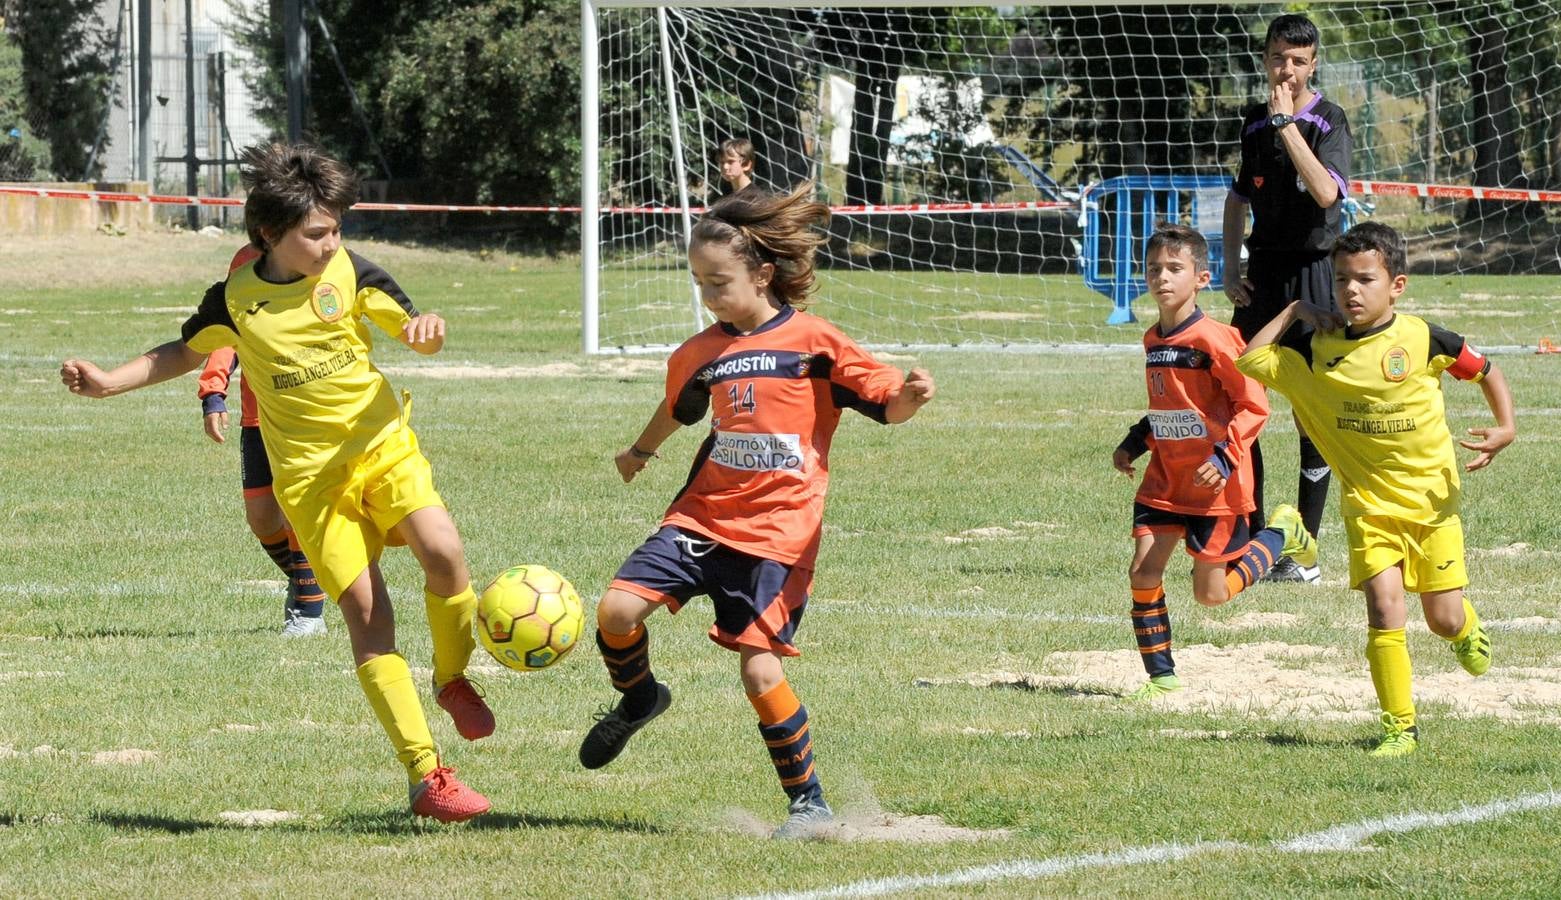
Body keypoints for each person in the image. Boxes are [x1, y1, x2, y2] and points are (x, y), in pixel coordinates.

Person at [60, 142, 495, 821]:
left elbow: (404, 324)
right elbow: (184, 349)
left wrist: (426, 333)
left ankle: (451, 677)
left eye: (336, 229)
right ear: (270, 234)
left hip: (382, 449)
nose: (331, 243)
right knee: (367, 614)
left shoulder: (351, 273)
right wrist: (110, 382)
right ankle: (426, 775)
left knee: (444, 552)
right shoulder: (235, 298)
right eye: (316, 233)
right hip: (312, 485)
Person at [577, 182, 935, 839]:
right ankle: (639, 698)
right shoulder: (698, 353)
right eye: (699, 284)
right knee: (616, 611)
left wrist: (912, 394)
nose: (709, 297)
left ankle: (808, 805)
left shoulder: (812, 341)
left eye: (719, 283)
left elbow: (882, 400)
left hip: (777, 533)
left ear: (762, 274)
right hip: (701, 516)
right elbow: (679, 410)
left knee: (758, 666)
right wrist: (638, 449)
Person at [1237, 222, 1515, 757]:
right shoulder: (1316, 349)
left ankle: (1464, 627)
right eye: (1341, 279)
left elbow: (1484, 370)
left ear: (1397, 286)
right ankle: (1399, 728)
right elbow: (1250, 357)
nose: (1351, 291)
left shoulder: (1422, 338)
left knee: (1443, 618)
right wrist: (1295, 309)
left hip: (1432, 504)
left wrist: (1506, 427)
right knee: (1385, 609)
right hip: (1367, 507)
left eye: (1365, 279)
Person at [1114, 223, 1317, 701]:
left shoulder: (1217, 340)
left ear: (1201, 278)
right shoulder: (1152, 340)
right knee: (1143, 572)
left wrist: (1226, 457)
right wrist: (1133, 442)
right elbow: (1171, 406)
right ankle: (1162, 678)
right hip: (1165, 481)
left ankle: (1283, 532)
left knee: (1211, 595)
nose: (1162, 277)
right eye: (1153, 269)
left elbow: (1254, 404)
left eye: (1174, 268)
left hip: (1215, 488)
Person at [1222, 12, 1353, 583]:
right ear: (1266, 59)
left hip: (1314, 275)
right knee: (1242, 403)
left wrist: (1287, 126)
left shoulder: (1329, 120)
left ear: (1313, 64)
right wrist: (1229, 265)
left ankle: (1304, 553)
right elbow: (1235, 200)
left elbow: (1327, 193)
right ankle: (1252, 539)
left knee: (1310, 414)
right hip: (1262, 276)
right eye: (1279, 58)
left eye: (1299, 61)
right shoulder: (1253, 122)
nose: (1288, 69)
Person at [198, 246, 328, 637]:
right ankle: (316, 580)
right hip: (257, 414)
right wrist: (213, 390)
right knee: (261, 517)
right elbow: (226, 331)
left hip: (304, 411)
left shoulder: (322, 257)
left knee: (295, 512)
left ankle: (309, 611)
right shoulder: (244, 261)